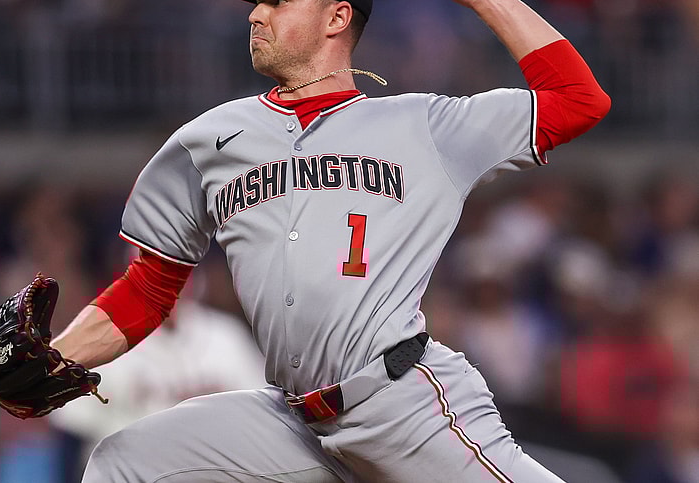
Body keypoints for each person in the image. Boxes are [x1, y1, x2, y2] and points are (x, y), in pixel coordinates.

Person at [50, 0, 611, 480]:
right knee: (124, 464)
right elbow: (147, 289)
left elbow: (579, 100)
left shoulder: (427, 126)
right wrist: (53, 362)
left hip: (402, 406)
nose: (255, 14)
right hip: (292, 421)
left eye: (277, 2)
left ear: (337, 16)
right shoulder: (208, 140)